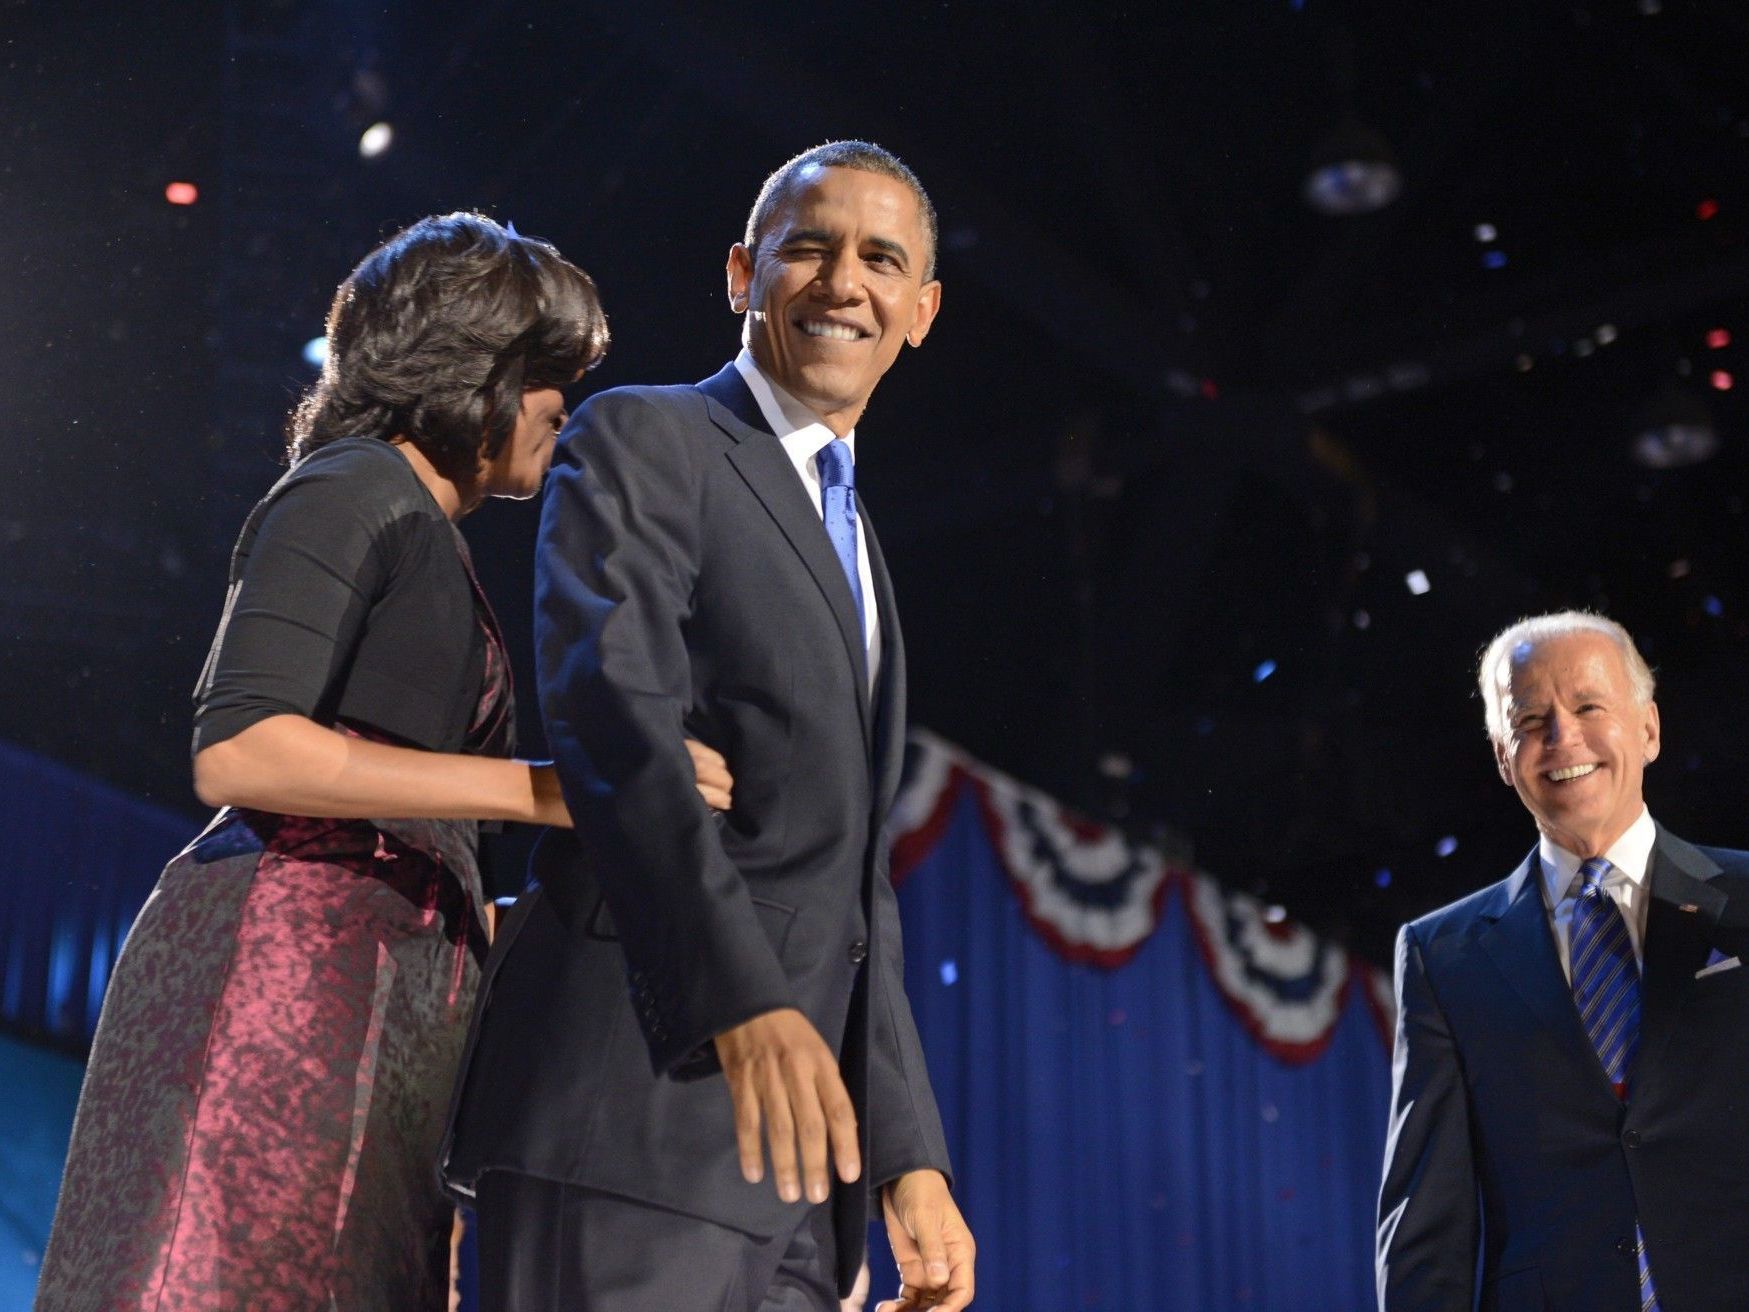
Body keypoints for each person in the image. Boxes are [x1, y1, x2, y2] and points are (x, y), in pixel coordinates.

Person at [34, 213, 731, 1312]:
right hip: (283, 984)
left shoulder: (430, 536)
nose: (564, 403)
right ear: (469, 369)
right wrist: (559, 789)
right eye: (546, 372)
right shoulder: (354, 485)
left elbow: (424, 838)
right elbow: (243, 745)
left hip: (379, 1009)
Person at [443, 141, 976, 1311]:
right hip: (628, 1112)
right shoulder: (648, 438)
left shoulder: (863, 545)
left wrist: (907, 1156)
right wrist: (741, 1001)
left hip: (793, 1182)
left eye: (882, 259)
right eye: (809, 247)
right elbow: (611, 713)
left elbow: (849, 887)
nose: (844, 282)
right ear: (743, 273)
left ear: (921, 311)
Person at [1376, 611, 1749, 1311]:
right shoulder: (1441, 956)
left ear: (1648, 728)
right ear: (1500, 754)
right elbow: (1427, 1224)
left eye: (1586, 706)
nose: (1561, 737)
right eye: (1528, 720)